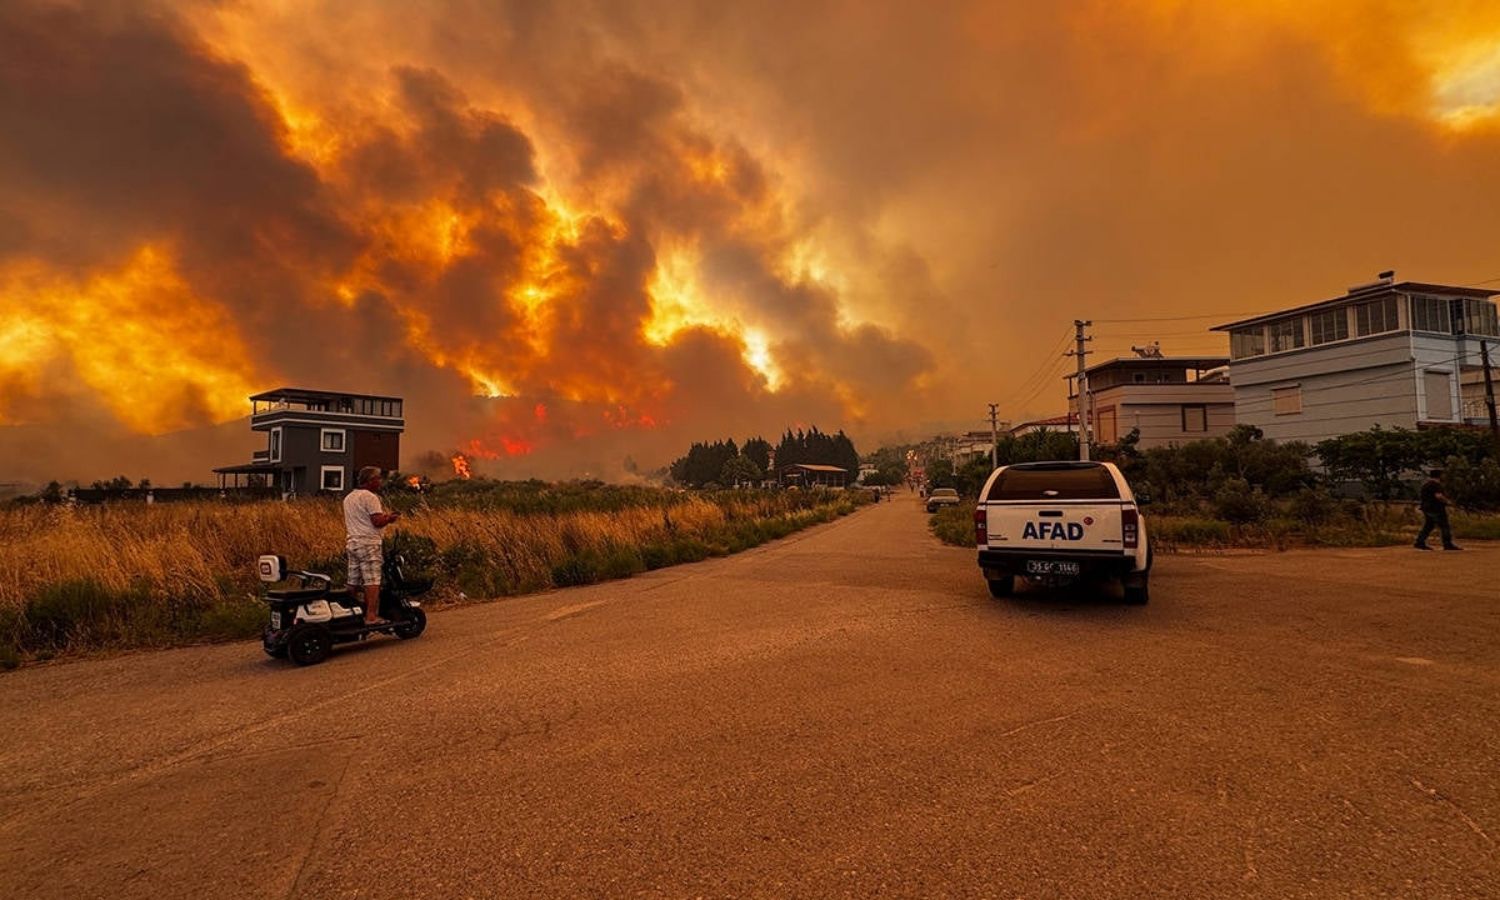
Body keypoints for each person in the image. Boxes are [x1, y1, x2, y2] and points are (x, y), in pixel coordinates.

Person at [344, 466, 401, 624]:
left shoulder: (349, 498)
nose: (380, 481)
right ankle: (371, 616)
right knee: (372, 580)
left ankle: (349, 613)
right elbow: (376, 522)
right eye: (378, 478)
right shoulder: (370, 497)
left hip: (352, 542)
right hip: (368, 543)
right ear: (370, 481)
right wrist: (389, 518)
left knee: (352, 581)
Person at [1414, 468, 1459, 551]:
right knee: (1444, 526)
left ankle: (1419, 542)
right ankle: (1447, 544)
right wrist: (1447, 501)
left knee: (1429, 525)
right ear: (1439, 476)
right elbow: (1438, 496)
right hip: (1436, 508)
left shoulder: (1426, 485)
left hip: (1426, 508)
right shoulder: (1436, 485)